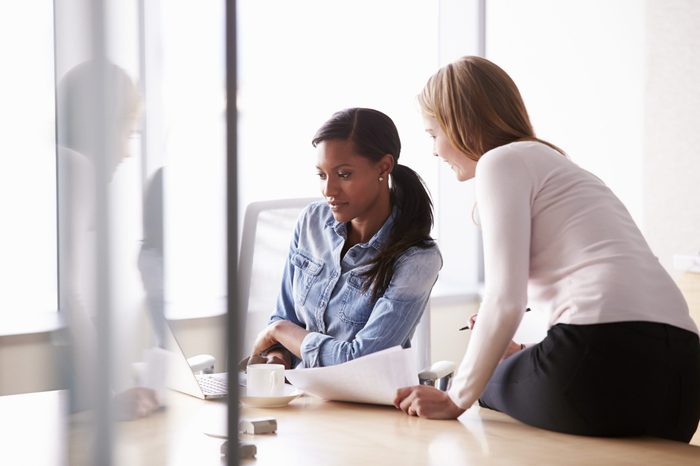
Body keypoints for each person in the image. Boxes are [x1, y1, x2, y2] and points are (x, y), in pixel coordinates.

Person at [394, 56, 700, 443]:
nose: (435, 150)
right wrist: (522, 351)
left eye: (432, 134)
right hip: (684, 378)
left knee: (479, 384)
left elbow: (505, 299)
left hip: (601, 362)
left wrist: (455, 397)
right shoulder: (563, 169)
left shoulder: (499, 161)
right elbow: (613, 304)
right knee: (507, 369)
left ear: (460, 124)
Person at [248, 108, 442, 368]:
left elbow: (361, 361)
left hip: (360, 404)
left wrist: (281, 331)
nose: (329, 190)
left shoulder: (417, 259)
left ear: (383, 167)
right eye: (322, 175)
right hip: (298, 394)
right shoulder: (312, 221)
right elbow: (285, 318)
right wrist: (277, 357)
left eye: (344, 174)